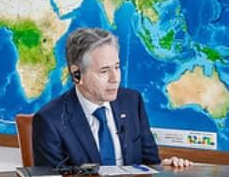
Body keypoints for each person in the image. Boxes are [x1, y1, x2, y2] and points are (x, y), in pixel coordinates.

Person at [32, 28, 191, 169]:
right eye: (104, 71)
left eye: (117, 67)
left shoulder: (132, 102)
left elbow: (150, 163)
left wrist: (164, 168)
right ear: (77, 74)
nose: (115, 78)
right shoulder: (50, 120)